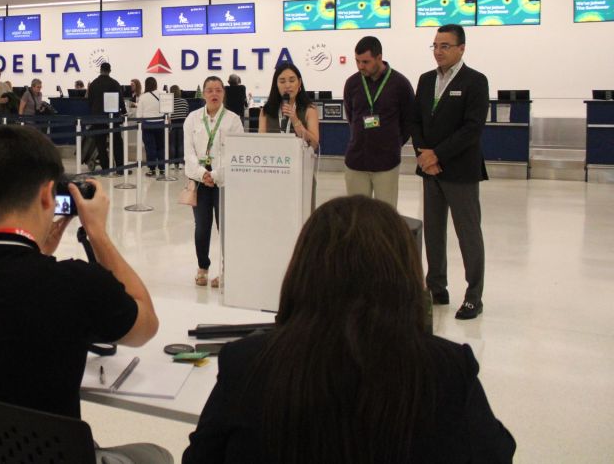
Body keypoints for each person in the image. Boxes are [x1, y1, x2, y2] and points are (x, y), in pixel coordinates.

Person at [183, 195, 515, 464]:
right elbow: (496, 454)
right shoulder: (448, 371)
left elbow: (200, 457)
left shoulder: (247, 364)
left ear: (303, 270)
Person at [0, 125, 170, 464]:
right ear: (48, 195)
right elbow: (145, 326)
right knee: (157, 454)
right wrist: (97, 234)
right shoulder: (76, 284)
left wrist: (38, 252)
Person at [413, 24, 490, 320]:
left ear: (461, 48)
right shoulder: (426, 80)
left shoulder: (475, 81)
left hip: (460, 170)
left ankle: (473, 296)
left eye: (444, 46)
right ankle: (436, 288)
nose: (438, 51)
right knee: (433, 232)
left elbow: (472, 128)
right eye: (434, 45)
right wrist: (424, 154)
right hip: (430, 170)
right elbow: (416, 121)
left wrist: (437, 154)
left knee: (468, 233)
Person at [184, 76, 244, 288]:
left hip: (224, 182)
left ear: (224, 93)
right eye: (209, 90)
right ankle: (203, 266)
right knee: (201, 227)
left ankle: (228, 270)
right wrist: (203, 174)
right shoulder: (192, 119)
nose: (214, 94)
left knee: (225, 227)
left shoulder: (233, 120)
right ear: (203, 94)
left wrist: (216, 175)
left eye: (218, 90)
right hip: (199, 181)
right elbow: (189, 153)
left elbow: (236, 153)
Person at [342, 36, 415, 208]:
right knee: (357, 215)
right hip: (356, 161)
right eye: (357, 61)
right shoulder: (352, 83)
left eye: (365, 62)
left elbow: (409, 121)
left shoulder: (400, 84)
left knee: (385, 215)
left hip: (386, 163)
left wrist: (393, 142)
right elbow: (351, 117)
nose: (361, 66)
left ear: (379, 58)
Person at [259, 63, 319, 148]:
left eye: (292, 81)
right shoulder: (266, 111)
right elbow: (261, 144)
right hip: (272, 155)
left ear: (299, 83)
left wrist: (295, 120)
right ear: (276, 84)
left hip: (299, 156)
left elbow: (314, 145)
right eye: (282, 81)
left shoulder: (310, 110)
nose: (287, 85)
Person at [87, 62, 126, 173]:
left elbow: (90, 101)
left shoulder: (93, 84)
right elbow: (120, 100)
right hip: (113, 118)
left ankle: (105, 168)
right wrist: (124, 111)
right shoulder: (114, 83)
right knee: (117, 143)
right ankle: (120, 168)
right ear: (110, 71)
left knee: (100, 144)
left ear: (100, 70)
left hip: (98, 118)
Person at [136, 76, 165, 176]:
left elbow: (139, 115)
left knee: (150, 148)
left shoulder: (143, 97)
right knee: (161, 147)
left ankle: (152, 169)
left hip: (147, 125)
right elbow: (167, 112)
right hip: (161, 124)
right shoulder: (162, 95)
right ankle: (162, 168)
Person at [168, 85, 189, 168]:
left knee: (172, 144)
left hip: (172, 125)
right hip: (182, 125)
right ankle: (181, 163)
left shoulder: (169, 102)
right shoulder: (184, 101)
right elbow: (186, 113)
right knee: (181, 144)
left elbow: (167, 115)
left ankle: (172, 163)